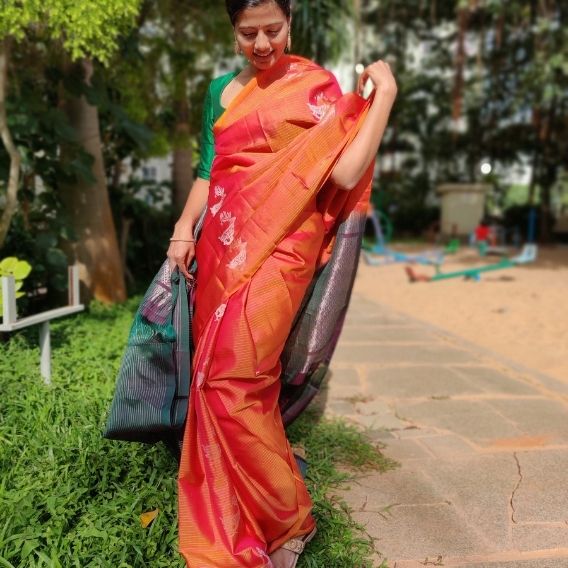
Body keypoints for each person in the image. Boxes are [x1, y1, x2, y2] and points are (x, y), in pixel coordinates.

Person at [167, 1, 397, 566]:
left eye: (273, 30)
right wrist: (180, 230)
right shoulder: (221, 90)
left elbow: (342, 172)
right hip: (221, 247)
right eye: (249, 34)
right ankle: (249, 503)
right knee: (226, 383)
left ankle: (290, 516)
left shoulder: (313, 85)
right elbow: (209, 169)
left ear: (290, 23)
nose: (263, 44)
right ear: (232, 32)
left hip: (282, 248)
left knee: (233, 381)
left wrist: (384, 98)